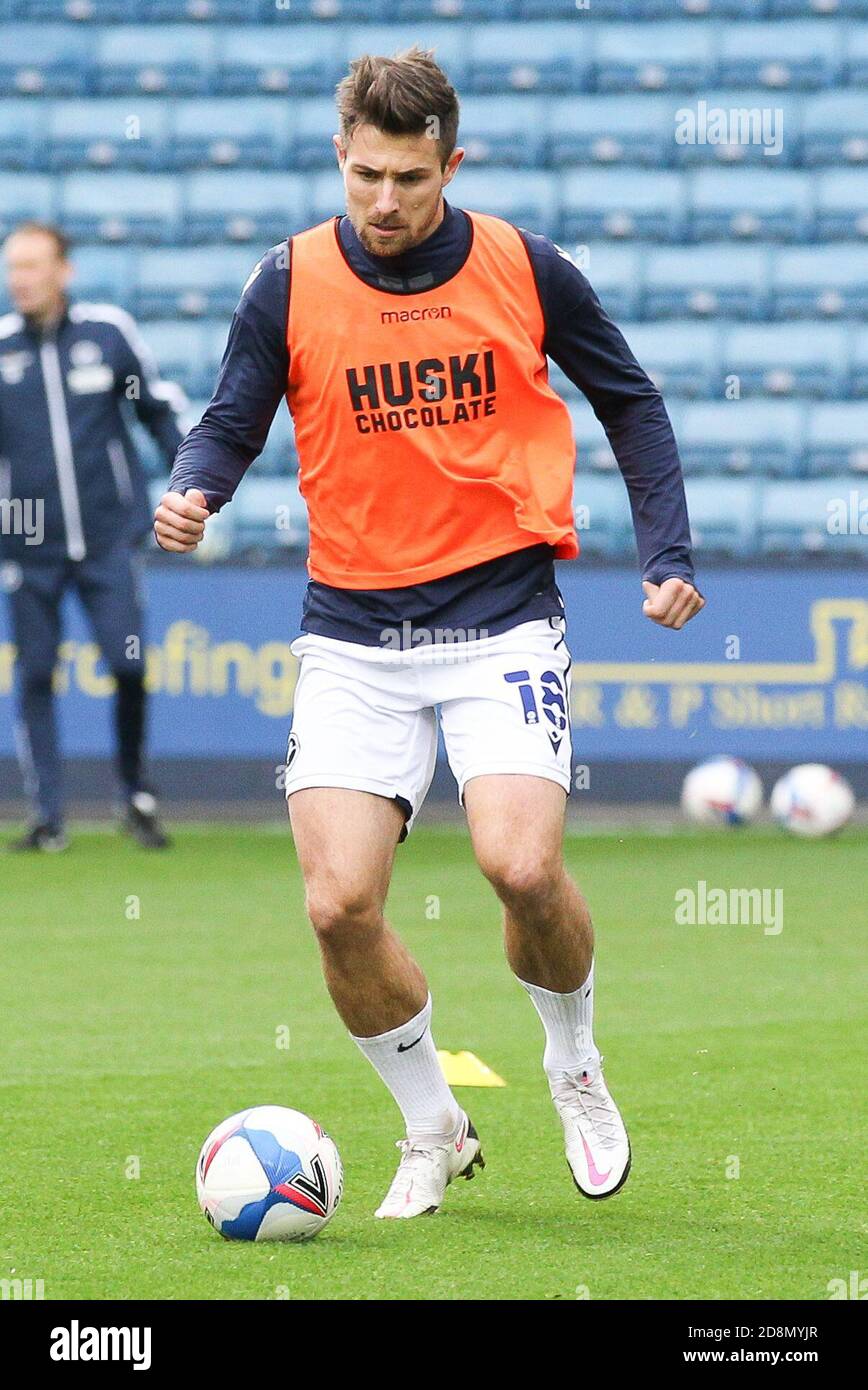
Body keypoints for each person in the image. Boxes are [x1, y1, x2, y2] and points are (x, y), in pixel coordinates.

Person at [155, 48, 705, 1218]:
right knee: (336, 905)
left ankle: (572, 1058)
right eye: (364, 177)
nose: (385, 202)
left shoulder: (523, 265)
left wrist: (668, 551)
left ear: (451, 163)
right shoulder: (288, 280)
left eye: (409, 177)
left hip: (499, 620)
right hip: (352, 634)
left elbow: (631, 400)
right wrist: (195, 488)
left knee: (520, 864)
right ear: (339, 161)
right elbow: (230, 423)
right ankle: (431, 1125)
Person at [1, 222, 185, 850]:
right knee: (36, 676)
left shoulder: (107, 335)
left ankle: (134, 795)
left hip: (109, 542)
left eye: (31, 265)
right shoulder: (1, 352)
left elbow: (156, 409)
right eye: (12, 267)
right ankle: (48, 817)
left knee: (128, 665)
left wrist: (191, 485)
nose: (18, 279)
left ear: (64, 270)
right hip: (28, 551)